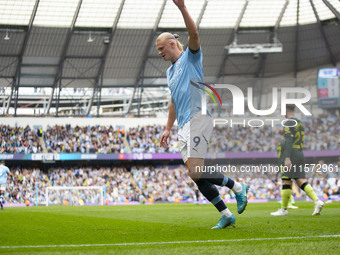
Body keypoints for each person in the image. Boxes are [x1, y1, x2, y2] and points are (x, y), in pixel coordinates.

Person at [157, 0, 248, 229]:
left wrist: (182, 8)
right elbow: (174, 100)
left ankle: (237, 187)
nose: (159, 53)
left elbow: (194, 33)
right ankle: (226, 214)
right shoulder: (170, 72)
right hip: (183, 125)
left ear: (171, 44)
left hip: (199, 118)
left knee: (196, 169)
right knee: (194, 174)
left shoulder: (191, 57)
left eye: (161, 49)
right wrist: (168, 128)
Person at [271, 104, 324, 216]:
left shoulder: (288, 122)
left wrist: (287, 158)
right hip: (300, 152)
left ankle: (284, 209)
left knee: (286, 181)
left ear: (286, 110)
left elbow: (289, 140)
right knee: (300, 181)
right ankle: (317, 201)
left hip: (292, 154)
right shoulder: (300, 123)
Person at [276, 133, 298, 209]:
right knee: (287, 183)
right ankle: (287, 203)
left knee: (287, 183)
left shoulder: (280, 143)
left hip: (282, 163)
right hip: (285, 164)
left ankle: (288, 201)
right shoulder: (285, 143)